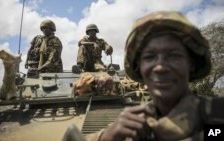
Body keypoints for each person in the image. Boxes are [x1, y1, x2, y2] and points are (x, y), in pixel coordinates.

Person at [86, 11, 224, 141]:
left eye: (173, 55)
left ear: (192, 63)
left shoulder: (217, 115)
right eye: (149, 57)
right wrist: (106, 137)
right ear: (139, 68)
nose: (160, 67)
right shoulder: (126, 128)